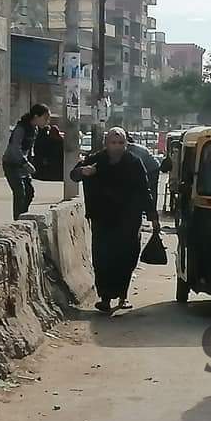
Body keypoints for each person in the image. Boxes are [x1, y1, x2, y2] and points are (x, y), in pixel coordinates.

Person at [71, 127, 160, 312]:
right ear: (106, 144)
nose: (117, 147)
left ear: (126, 144)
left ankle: (122, 295)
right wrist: (83, 171)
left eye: (120, 143)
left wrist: (153, 216)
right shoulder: (96, 160)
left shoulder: (134, 162)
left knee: (126, 258)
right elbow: (74, 174)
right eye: (113, 143)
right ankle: (105, 298)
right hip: (102, 218)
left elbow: (144, 190)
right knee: (102, 258)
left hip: (129, 219)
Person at [2, 104, 50, 218]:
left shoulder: (35, 129)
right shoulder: (21, 128)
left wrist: (30, 161)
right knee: (20, 192)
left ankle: (23, 216)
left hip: (23, 165)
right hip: (11, 164)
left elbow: (29, 148)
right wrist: (25, 163)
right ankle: (18, 220)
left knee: (29, 192)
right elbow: (14, 148)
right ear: (36, 116)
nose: (47, 122)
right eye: (45, 118)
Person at [125, 132, 162, 208]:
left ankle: (151, 208)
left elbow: (137, 165)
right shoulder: (131, 148)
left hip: (152, 168)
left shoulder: (132, 150)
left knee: (149, 189)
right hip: (150, 166)